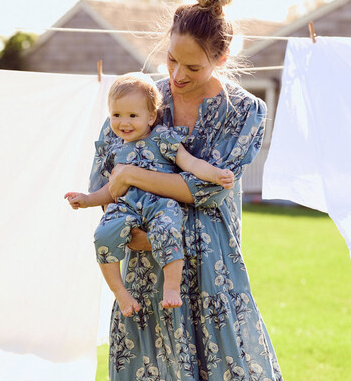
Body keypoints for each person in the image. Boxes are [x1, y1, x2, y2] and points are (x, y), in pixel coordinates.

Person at [90, 0, 285, 381]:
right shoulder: (142, 98)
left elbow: (206, 191)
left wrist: (132, 176)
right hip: (148, 271)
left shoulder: (246, 111)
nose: (177, 75)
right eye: (171, 59)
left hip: (215, 271)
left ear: (221, 58)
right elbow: (102, 177)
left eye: (193, 68)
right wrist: (133, 232)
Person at [65, 73, 234, 317]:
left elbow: (191, 163)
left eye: (133, 115)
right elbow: (109, 191)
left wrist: (216, 175)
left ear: (151, 116)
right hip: (126, 206)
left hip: (160, 203)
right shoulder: (116, 148)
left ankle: (171, 287)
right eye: (117, 115)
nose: (124, 122)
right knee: (103, 235)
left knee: (167, 229)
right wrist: (87, 200)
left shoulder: (163, 138)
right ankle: (121, 294)